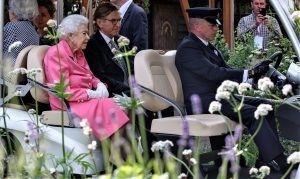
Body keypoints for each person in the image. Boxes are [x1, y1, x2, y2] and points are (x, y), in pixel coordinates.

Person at [175, 7, 289, 173]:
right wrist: (248, 72)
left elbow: (226, 70)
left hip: (220, 98)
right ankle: (278, 161)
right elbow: (213, 73)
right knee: (252, 113)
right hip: (204, 102)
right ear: (198, 26)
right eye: (212, 24)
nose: (216, 28)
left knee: (265, 105)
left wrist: (253, 76)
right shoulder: (189, 48)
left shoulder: (207, 47)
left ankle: (266, 159)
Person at [43, 14, 129, 140]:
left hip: (85, 101)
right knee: (112, 108)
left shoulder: (79, 52)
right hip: (68, 104)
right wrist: (90, 94)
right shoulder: (56, 54)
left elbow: (90, 75)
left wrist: (99, 84)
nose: (88, 38)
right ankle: (120, 156)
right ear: (70, 35)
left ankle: (120, 153)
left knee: (124, 105)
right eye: (84, 33)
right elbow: (63, 92)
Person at [84, 2, 130, 97]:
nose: (118, 25)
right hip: (112, 96)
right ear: (100, 22)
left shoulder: (121, 41)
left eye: (119, 20)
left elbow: (130, 68)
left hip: (131, 92)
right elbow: (99, 76)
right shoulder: (91, 45)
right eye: (113, 21)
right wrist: (129, 91)